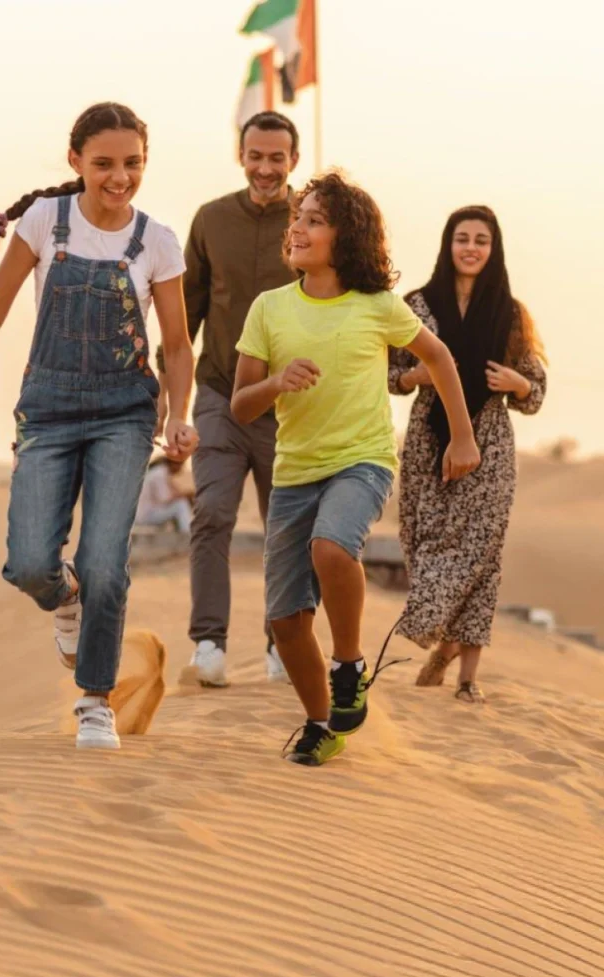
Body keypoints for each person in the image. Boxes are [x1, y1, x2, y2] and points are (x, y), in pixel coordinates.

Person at [0, 102, 198, 750]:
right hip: (48, 408)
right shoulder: (47, 221)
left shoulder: (157, 241)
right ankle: (65, 598)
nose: (119, 177)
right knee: (29, 564)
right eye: (104, 164)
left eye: (132, 163)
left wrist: (180, 414)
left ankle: (95, 700)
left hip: (125, 413)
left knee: (105, 560)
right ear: (76, 161)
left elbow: (179, 346)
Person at [231, 171, 481, 766]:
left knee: (332, 548)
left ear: (347, 238)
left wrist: (462, 437)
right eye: (297, 217)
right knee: (286, 622)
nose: (298, 228)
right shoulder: (269, 309)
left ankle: (348, 664)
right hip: (294, 472)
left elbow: (438, 357)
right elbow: (240, 405)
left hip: (362, 461)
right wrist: (276, 381)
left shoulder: (377, 306)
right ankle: (324, 723)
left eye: (315, 220)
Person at [158, 111, 299, 688]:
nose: (265, 168)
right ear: (241, 156)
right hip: (220, 393)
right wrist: (170, 398)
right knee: (212, 513)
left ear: (293, 160)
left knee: (285, 526)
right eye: (255, 156)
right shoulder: (211, 220)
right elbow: (185, 315)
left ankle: (281, 645)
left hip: (291, 406)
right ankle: (209, 645)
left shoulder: (314, 221)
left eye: (276, 158)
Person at [389, 205, 546, 702]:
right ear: (448, 244)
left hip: (491, 442)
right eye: (463, 239)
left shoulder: (511, 313)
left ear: (493, 249)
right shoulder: (416, 305)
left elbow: (535, 393)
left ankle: (466, 678)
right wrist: (412, 376)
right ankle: (447, 641)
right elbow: (387, 374)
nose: (472, 248)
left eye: (482, 240)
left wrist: (519, 383)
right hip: (427, 441)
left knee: (482, 555)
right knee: (422, 540)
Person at [135, 456, 193, 534]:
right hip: (145, 515)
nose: (182, 468)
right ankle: (187, 534)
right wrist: (184, 495)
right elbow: (164, 499)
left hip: (146, 513)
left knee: (180, 503)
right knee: (181, 504)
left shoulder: (160, 471)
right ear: (173, 464)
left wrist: (181, 494)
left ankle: (184, 532)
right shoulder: (159, 473)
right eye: (181, 465)